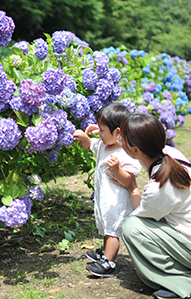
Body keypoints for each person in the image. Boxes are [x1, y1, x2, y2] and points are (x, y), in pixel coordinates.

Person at [112, 113, 191, 299]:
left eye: (122, 138)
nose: (119, 140)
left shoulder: (159, 186)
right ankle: (190, 269)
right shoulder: (170, 154)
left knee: (131, 227)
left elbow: (139, 219)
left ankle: (183, 281)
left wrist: (132, 187)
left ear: (135, 151)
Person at [73, 103, 142, 277]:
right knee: (106, 228)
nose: (99, 133)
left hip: (117, 203)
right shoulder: (103, 145)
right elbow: (89, 145)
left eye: (102, 130)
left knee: (113, 231)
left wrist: (117, 169)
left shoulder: (126, 153)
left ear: (118, 133)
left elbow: (129, 180)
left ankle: (109, 262)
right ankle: (105, 253)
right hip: (104, 200)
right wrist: (84, 138)